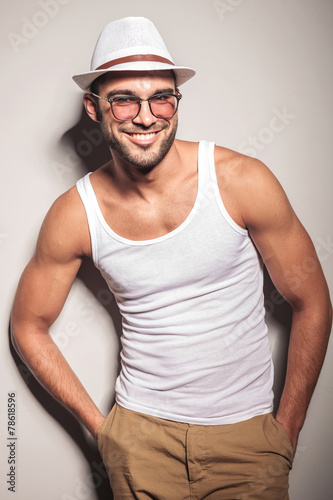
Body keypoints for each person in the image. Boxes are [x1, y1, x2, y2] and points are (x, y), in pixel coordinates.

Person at [11, 16, 332, 500]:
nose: (146, 116)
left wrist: (284, 434)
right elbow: (26, 325)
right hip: (140, 443)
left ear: (175, 100)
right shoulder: (75, 214)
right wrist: (104, 433)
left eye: (161, 96)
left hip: (246, 443)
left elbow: (312, 300)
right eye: (124, 99)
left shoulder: (242, 181)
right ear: (94, 109)